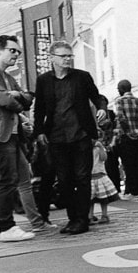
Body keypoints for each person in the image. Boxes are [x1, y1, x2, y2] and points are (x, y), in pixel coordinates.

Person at [0, 35, 47, 241]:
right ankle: (4, 228)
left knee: (22, 178)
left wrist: (18, 95)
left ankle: (34, 221)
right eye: (12, 50)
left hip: (12, 135)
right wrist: (15, 96)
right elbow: (5, 101)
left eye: (18, 52)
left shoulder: (7, 76)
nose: (16, 55)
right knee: (7, 181)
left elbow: (28, 98)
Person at [33, 40, 103, 235]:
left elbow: (97, 97)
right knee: (64, 181)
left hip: (80, 135)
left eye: (69, 56)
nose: (67, 59)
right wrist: (39, 132)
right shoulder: (44, 80)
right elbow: (39, 109)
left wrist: (102, 109)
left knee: (82, 178)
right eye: (63, 56)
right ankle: (73, 218)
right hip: (56, 137)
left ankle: (82, 220)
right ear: (52, 58)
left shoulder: (82, 77)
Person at [113, 79, 138, 198]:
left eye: (118, 89)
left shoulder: (119, 101)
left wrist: (127, 132)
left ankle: (132, 191)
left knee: (129, 164)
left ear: (121, 89)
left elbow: (121, 118)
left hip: (127, 136)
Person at [89, 138, 119, 224]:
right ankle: (90, 216)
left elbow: (104, 158)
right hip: (90, 175)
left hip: (99, 174)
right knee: (90, 199)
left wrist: (101, 147)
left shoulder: (98, 147)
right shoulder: (84, 148)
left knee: (103, 198)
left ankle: (104, 215)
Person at [95, 94, 122, 190]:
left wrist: (113, 141)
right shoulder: (95, 114)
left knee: (112, 166)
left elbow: (116, 128)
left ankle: (115, 188)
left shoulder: (110, 114)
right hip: (99, 144)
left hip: (111, 143)